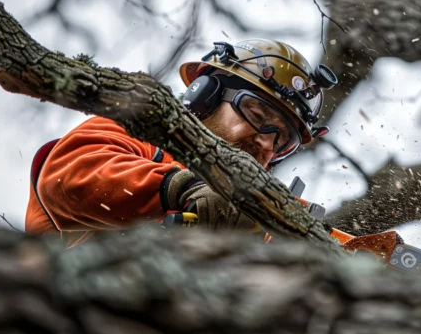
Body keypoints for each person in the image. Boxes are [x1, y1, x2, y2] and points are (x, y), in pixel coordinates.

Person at [24, 39, 337, 246]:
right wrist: (182, 189)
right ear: (205, 97)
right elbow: (69, 177)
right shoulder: (140, 136)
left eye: (282, 141)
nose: (266, 145)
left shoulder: (251, 213)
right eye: (256, 113)